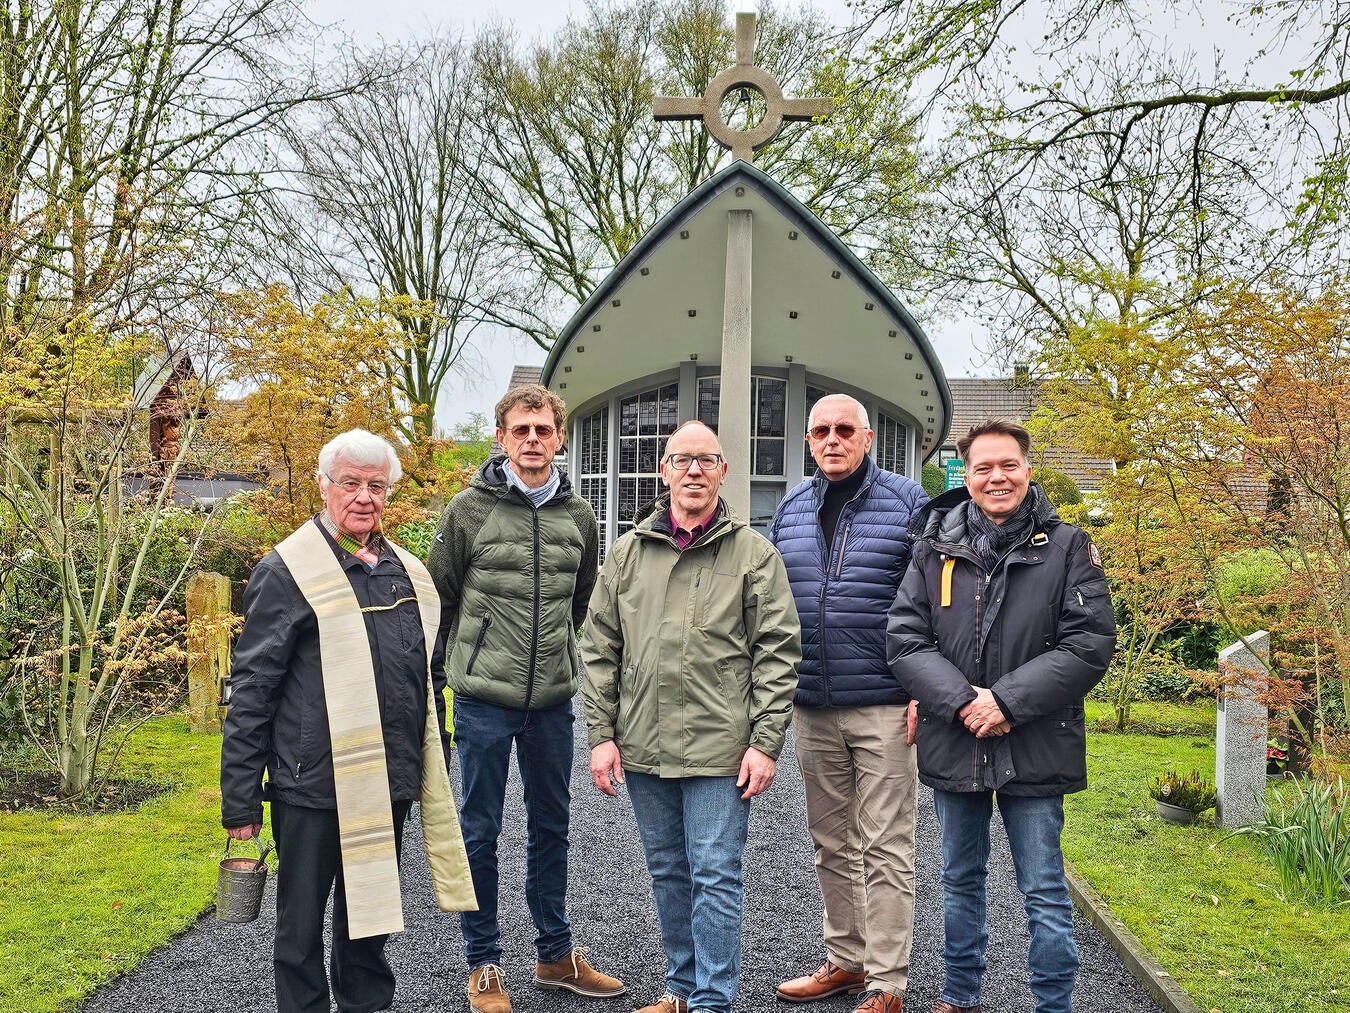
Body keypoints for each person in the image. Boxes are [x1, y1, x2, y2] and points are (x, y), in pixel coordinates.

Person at [220, 429, 476, 1013]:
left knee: (371, 922)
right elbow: (253, 692)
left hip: (388, 782)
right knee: (300, 931)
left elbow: (427, 677)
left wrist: (431, 756)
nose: (364, 496)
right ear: (324, 486)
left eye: (376, 486)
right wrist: (240, 803)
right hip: (310, 786)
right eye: (351, 483)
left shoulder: (406, 574)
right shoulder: (287, 571)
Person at [887, 419, 1116, 1013]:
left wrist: (1007, 702)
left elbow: (1088, 643)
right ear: (966, 475)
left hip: (1034, 742)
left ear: (1027, 469)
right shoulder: (933, 546)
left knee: (1042, 888)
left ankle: (1053, 1004)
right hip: (955, 738)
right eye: (983, 467)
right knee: (959, 881)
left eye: (1008, 465)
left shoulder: (1067, 548)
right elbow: (906, 640)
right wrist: (965, 702)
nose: (997, 478)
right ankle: (959, 996)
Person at [581, 420, 801, 1013]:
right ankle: (680, 989)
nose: (694, 471)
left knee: (715, 875)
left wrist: (765, 743)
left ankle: (712, 1000)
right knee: (669, 873)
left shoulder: (754, 554)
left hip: (719, 748)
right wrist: (602, 735)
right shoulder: (628, 552)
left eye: (707, 461)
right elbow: (600, 649)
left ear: (724, 472)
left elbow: (778, 653)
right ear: (664, 471)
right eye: (682, 460)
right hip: (644, 742)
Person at [428, 384, 622, 1013]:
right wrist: (436, 687)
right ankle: (482, 963)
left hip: (551, 704)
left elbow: (582, 599)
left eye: (543, 429)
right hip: (483, 699)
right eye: (521, 430)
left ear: (560, 437)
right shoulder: (467, 511)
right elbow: (442, 600)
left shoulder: (580, 518)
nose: (533, 439)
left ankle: (555, 955)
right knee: (479, 831)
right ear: (502, 438)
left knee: (551, 828)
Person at [770, 394, 928, 1013]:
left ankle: (888, 982)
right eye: (819, 431)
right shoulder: (789, 508)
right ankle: (846, 960)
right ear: (808, 441)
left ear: (866, 438)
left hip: (885, 703)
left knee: (887, 843)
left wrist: (922, 687)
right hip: (811, 702)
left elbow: (929, 602)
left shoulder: (906, 502)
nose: (831, 440)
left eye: (844, 430)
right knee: (830, 840)